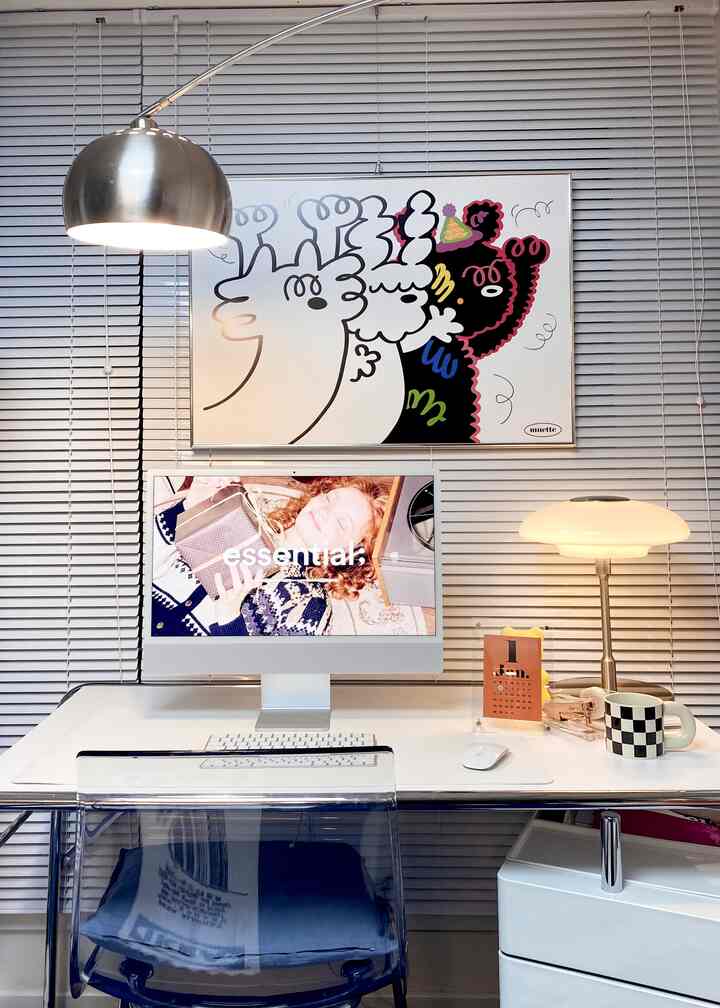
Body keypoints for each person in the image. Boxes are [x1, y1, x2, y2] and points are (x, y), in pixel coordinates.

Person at [152, 476, 388, 637]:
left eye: (342, 522)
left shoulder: (310, 609)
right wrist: (189, 507)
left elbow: (248, 683)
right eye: (330, 498)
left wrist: (229, 614)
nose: (325, 511)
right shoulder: (244, 512)